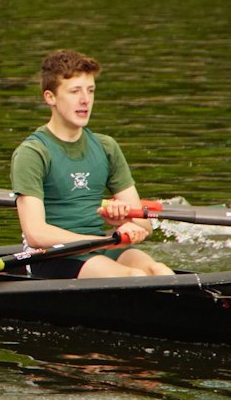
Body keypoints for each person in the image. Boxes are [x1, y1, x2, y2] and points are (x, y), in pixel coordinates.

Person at [10, 49, 173, 278]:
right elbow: (36, 233)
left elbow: (144, 226)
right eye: (75, 91)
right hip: (53, 256)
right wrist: (100, 241)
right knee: (134, 278)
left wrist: (124, 221)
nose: (85, 100)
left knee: (161, 271)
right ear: (50, 97)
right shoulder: (33, 153)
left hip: (102, 246)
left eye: (90, 90)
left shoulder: (106, 147)